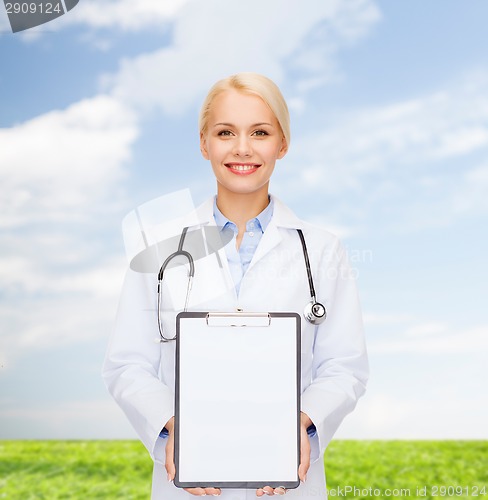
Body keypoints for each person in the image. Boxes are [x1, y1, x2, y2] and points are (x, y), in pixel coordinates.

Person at [102, 73, 368, 499]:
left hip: (286, 481)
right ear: (204, 143)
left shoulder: (321, 250)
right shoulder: (159, 248)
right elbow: (127, 365)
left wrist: (302, 422)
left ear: (282, 144)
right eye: (225, 132)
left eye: (260, 132)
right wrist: (175, 425)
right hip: (188, 480)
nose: (242, 148)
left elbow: (344, 367)